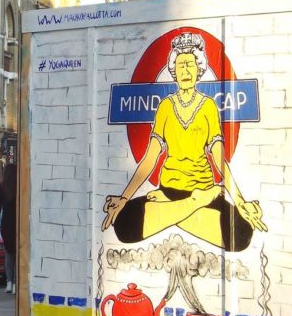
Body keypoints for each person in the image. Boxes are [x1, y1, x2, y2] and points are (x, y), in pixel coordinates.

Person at [102, 32, 267, 252]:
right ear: (174, 72)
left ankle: (175, 210)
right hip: (171, 188)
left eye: (190, 65)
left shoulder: (208, 106)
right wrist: (124, 198)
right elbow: (150, 159)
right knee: (123, 224)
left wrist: (239, 200)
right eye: (180, 66)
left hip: (203, 186)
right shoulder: (166, 107)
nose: (186, 71)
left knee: (242, 233)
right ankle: (192, 205)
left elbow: (219, 156)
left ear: (200, 68)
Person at [0, 163, 17, 294]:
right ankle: (17, 284)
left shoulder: (1, 187)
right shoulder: (19, 186)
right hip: (18, 224)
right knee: (18, 254)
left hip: (6, 225)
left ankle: (9, 282)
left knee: (8, 254)